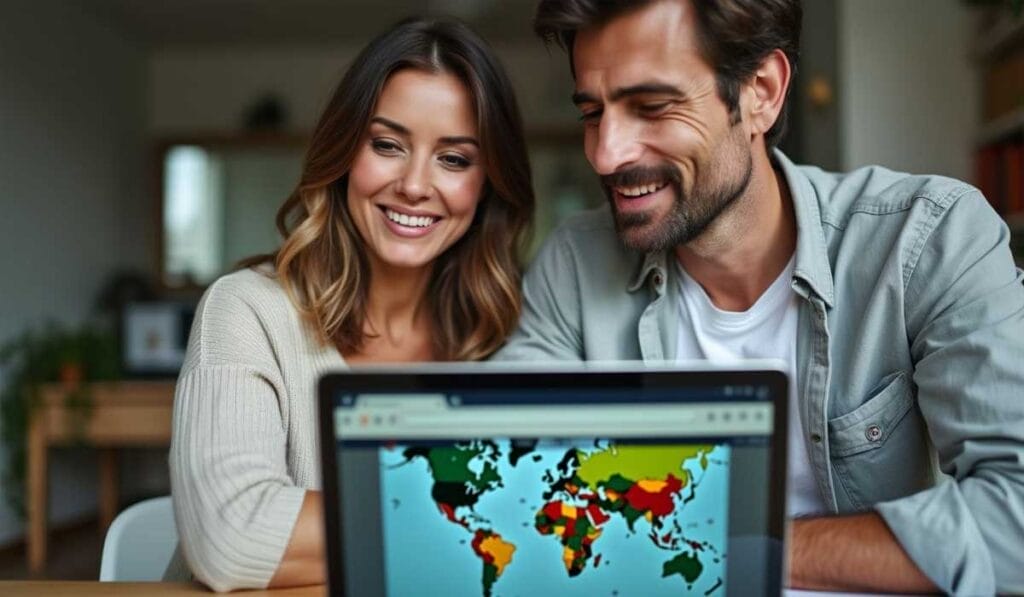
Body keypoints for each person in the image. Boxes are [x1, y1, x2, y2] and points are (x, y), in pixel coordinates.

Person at [494, 0, 1024, 594]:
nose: (606, 153)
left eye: (652, 107)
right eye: (593, 112)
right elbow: (518, 497)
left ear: (761, 93)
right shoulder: (574, 262)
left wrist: (744, 543)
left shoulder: (927, 239)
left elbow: (1015, 520)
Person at [167, 17, 534, 591]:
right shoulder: (246, 311)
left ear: (488, 182)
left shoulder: (508, 336)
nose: (415, 184)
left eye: (455, 159)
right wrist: (483, 515)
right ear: (343, 152)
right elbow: (230, 539)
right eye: (387, 145)